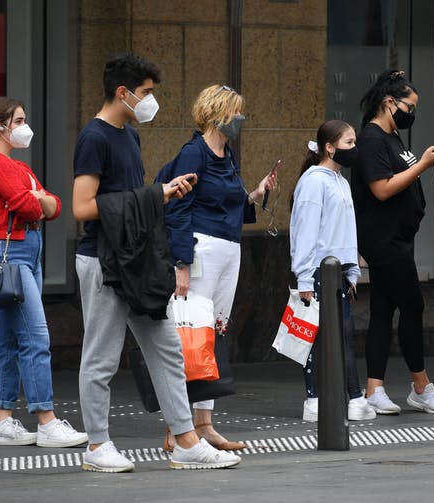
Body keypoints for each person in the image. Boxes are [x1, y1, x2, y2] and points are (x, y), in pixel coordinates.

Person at [72, 53, 241, 472]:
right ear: (123, 93)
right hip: (103, 259)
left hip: (136, 258)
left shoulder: (128, 135)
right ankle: (97, 446)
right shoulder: (94, 138)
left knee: (166, 348)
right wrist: (156, 195)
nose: (150, 102)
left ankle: (185, 439)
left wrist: (163, 193)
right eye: (145, 93)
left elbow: (132, 200)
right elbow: (82, 207)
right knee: (101, 356)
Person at [158, 84, 276, 451]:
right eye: (237, 111)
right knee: (191, 335)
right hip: (202, 249)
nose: (242, 119)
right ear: (218, 113)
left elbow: (229, 203)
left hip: (228, 249)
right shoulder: (194, 153)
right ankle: (178, 426)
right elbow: (177, 208)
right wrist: (181, 262)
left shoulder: (225, 155)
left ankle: (203, 424)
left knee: (210, 336)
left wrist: (255, 195)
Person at [0, 97, 88, 448]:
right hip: (11, 254)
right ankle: (46, 419)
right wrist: (36, 199)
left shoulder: (13, 166)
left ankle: (2, 421)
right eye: (18, 121)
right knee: (36, 337)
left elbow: (54, 205)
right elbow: (28, 203)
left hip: (25, 253)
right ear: (0, 126)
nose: (24, 127)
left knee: (10, 340)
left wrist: (37, 199)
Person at [352, 70, 434, 416]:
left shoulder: (392, 137)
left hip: (398, 238)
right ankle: (421, 385)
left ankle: (374, 388)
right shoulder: (371, 139)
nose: (412, 113)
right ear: (389, 103)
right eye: (410, 106)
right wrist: (423, 164)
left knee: (384, 310)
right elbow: (381, 188)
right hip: (384, 241)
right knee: (413, 306)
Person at [290, 120, 377, 423]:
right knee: (321, 335)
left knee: (340, 334)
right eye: (349, 143)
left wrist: (352, 269)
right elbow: (305, 232)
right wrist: (303, 277)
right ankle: (325, 398)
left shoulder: (339, 180)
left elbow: (345, 230)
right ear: (329, 147)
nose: (355, 149)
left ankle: (347, 398)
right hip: (318, 271)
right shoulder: (315, 181)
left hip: (336, 270)